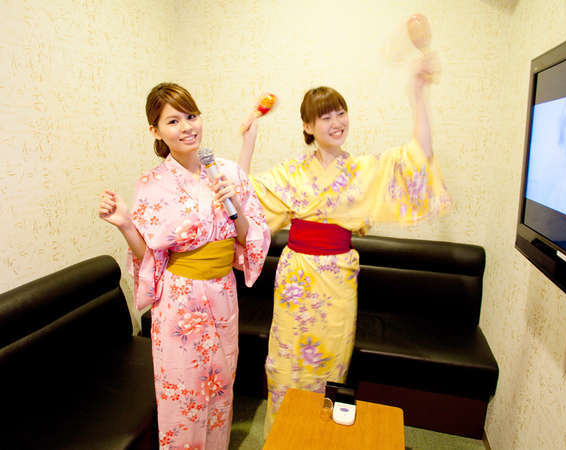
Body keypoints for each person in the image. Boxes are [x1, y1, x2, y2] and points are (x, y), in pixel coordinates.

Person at [238, 53, 451, 436]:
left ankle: (321, 439)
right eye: (325, 117)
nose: (337, 122)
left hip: (337, 282)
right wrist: (248, 143)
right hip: (296, 281)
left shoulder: (362, 170)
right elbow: (243, 201)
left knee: (330, 370)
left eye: (341, 113)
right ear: (307, 126)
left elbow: (416, 158)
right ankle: (284, 438)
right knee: (284, 368)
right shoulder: (291, 173)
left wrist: (418, 94)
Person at [98, 83, 270, 450]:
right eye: (173, 121)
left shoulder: (227, 172)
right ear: (155, 131)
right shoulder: (151, 185)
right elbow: (150, 257)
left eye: (191, 116)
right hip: (179, 301)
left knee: (221, 386)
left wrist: (234, 206)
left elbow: (248, 237)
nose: (187, 127)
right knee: (183, 395)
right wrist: (125, 224)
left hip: (223, 292)